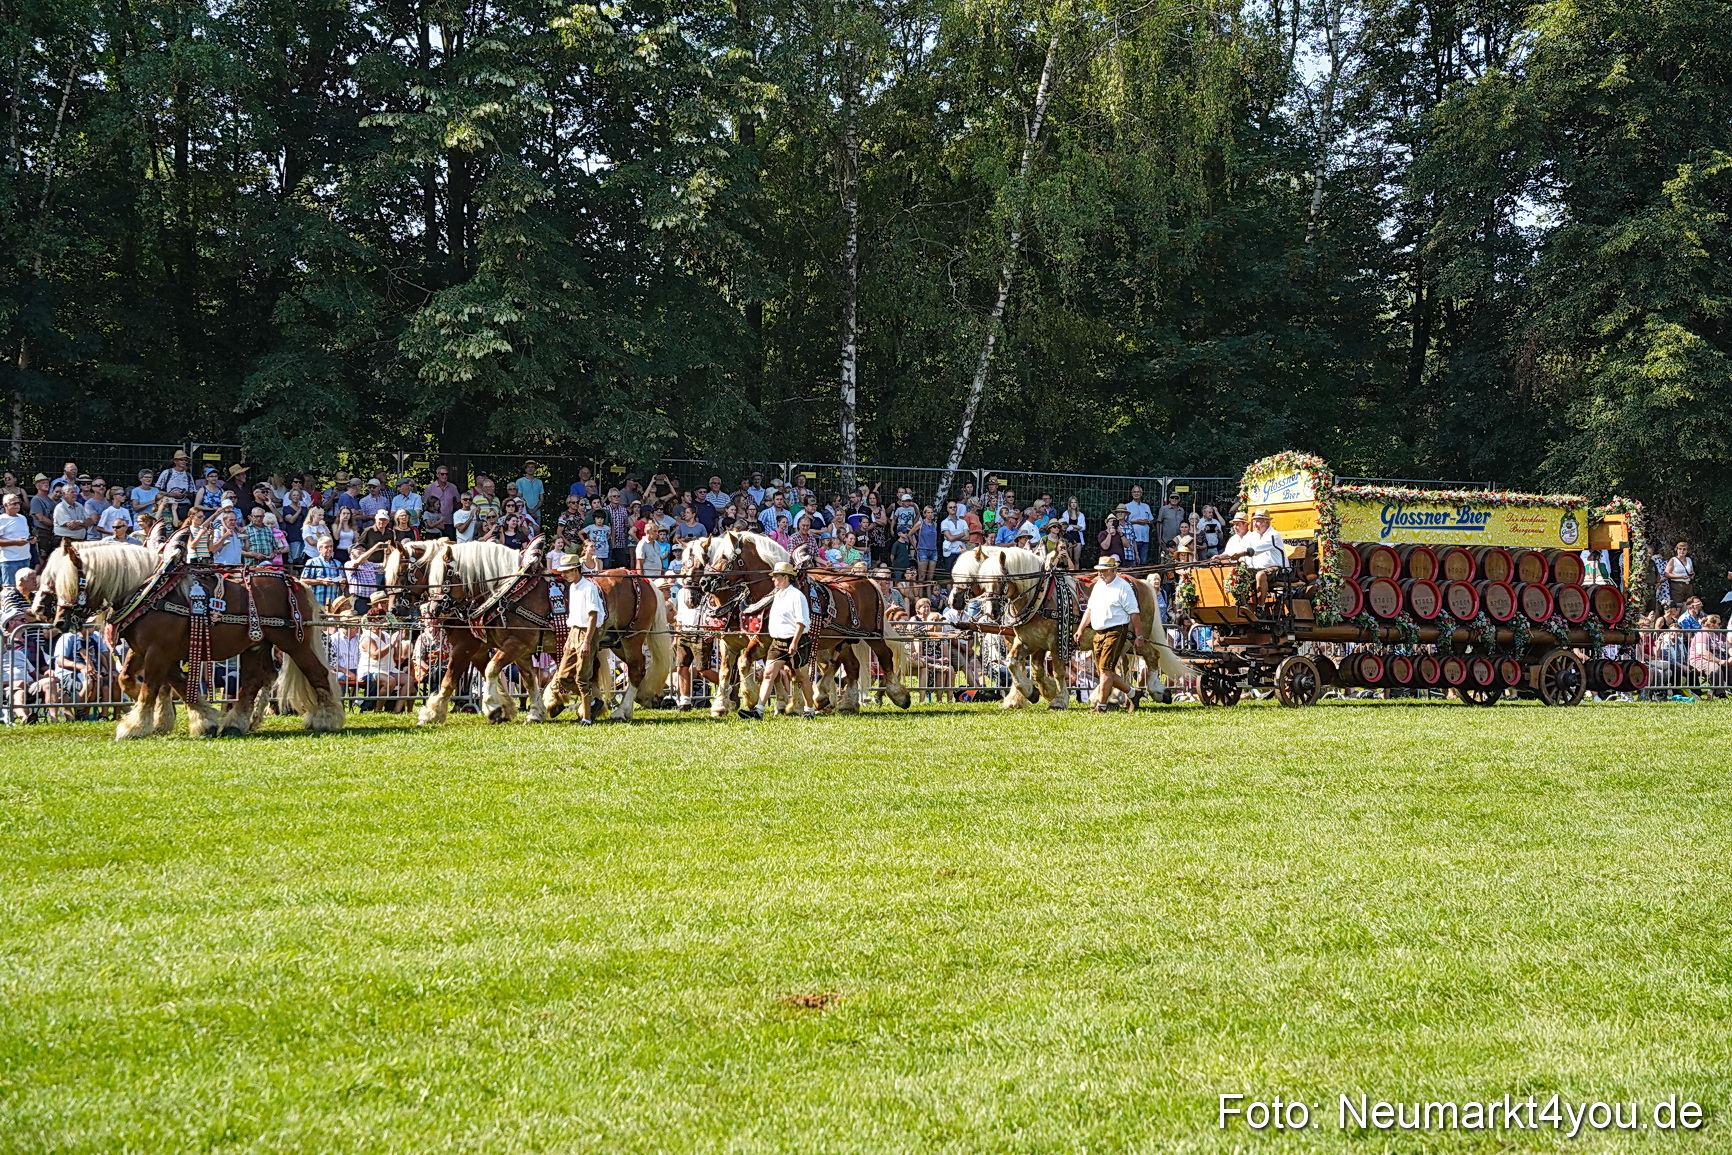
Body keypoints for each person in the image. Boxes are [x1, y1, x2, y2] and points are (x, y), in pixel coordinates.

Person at [739, 560, 814, 720]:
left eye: (776, 576)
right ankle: (759, 710)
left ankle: (810, 710)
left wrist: (794, 642)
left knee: (802, 677)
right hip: (777, 642)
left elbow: (801, 622)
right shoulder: (777, 595)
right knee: (768, 674)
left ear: (785, 577)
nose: (773, 579)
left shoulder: (797, 596)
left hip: (796, 641)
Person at [1073, 555, 1144, 712]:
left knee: (1105, 670)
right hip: (1098, 632)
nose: (1100, 574)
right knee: (1104, 672)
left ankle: (1101, 706)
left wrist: (1139, 637)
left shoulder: (1123, 587)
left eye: (1104, 571)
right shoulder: (1099, 585)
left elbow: (1134, 614)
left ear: (1113, 570)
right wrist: (1080, 629)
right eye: (1099, 570)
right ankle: (1133, 693)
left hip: (1115, 631)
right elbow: (1089, 609)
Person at [566, 565, 607, 724]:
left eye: (566, 571)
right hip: (574, 631)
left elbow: (593, 616)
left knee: (582, 678)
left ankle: (587, 718)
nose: (563, 575)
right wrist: (570, 639)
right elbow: (575, 615)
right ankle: (592, 702)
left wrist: (587, 642)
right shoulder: (573, 587)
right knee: (563, 676)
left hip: (587, 632)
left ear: (575, 570)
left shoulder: (589, 588)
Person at [1217, 508, 1287, 594]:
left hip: (1278, 569)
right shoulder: (1254, 536)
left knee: (1260, 575)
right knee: (1238, 574)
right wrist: (1220, 557)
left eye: (1258, 521)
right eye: (1254, 521)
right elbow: (1240, 550)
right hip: (1258, 569)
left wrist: (1241, 554)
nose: (1255, 524)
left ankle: (1260, 603)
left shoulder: (1274, 535)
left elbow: (1256, 549)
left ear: (1267, 522)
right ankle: (1242, 601)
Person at [301, 536, 346, 608]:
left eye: (331, 546)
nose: (330, 549)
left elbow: (341, 580)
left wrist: (342, 582)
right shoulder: (312, 562)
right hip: (316, 603)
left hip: (333, 604)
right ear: (319, 549)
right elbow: (303, 581)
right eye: (326, 547)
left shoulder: (338, 563)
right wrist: (321, 581)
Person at [0, 493, 31, 585]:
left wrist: (30, 540)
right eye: (14, 503)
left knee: (25, 589)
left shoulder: (22, 518)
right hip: (9, 561)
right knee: (10, 589)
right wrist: (15, 542)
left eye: (19, 503)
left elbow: (25, 536)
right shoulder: (2, 519)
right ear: (5, 505)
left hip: (25, 558)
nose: (17, 505)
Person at [1124, 485, 1154, 564]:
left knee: (1143, 561)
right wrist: (1136, 521)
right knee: (1133, 561)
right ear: (1131, 494)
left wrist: (1147, 521)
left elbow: (1151, 521)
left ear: (1141, 493)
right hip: (1132, 538)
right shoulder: (1127, 506)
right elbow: (1123, 522)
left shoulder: (1146, 506)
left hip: (1145, 538)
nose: (1136, 493)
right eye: (1134, 492)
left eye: (1138, 492)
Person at [1664, 541, 1694, 607]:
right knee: (1678, 605)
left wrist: (1692, 575)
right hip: (1677, 585)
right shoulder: (1673, 560)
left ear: (1687, 551)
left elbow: (1692, 571)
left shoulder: (1689, 559)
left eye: (1684, 549)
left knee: (1689, 604)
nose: (1682, 551)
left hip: (1688, 585)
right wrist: (1680, 577)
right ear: (1676, 550)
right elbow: (1666, 574)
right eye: (1680, 549)